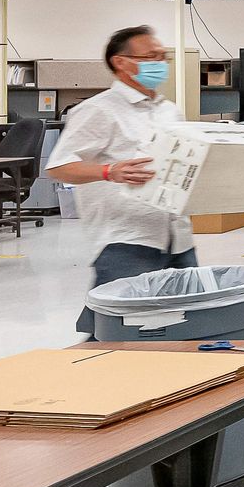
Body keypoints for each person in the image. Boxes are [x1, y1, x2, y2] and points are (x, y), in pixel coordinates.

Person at [46, 26, 197, 316]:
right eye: (151, 56)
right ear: (121, 62)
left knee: (188, 323)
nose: (160, 63)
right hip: (126, 239)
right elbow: (59, 167)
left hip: (177, 235)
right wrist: (108, 171)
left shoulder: (169, 110)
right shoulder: (98, 110)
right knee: (120, 331)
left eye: (163, 57)